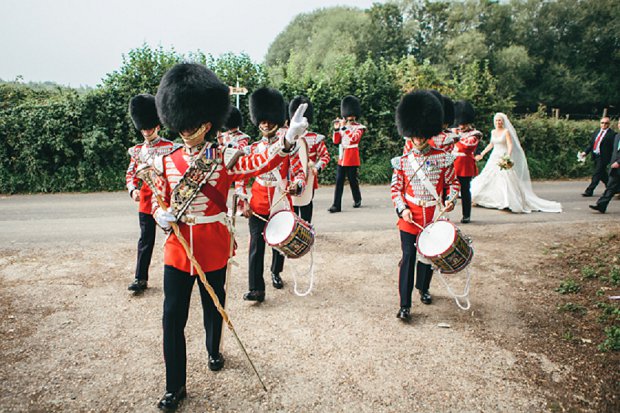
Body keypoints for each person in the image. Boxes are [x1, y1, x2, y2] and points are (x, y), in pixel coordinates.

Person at [151, 64, 307, 411]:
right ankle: (174, 385)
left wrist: (288, 139)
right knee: (172, 316)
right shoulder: (167, 160)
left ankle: (213, 349)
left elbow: (259, 160)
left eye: (194, 124)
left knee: (213, 306)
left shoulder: (222, 158)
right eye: (184, 124)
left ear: (207, 122)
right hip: (178, 248)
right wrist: (161, 217)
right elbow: (159, 198)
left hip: (211, 245)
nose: (188, 130)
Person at [390, 90, 459, 322]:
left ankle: (424, 287)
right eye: (414, 135)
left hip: (432, 214)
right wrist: (403, 209)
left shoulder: (443, 157)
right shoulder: (401, 161)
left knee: (428, 256)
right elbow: (395, 189)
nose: (418, 139)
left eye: (422, 135)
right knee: (408, 257)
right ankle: (405, 304)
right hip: (409, 217)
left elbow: (453, 184)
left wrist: (451, 199)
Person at [240, 88, 307, 303]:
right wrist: (243, 201)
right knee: (255, 246)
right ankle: (256, 288)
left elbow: (298, 172)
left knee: (279, 242)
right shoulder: (252, 148)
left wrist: (297, 185)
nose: (265, 125)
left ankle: (276, 272)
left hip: (280, 198)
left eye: (269, 120)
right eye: (262, 121)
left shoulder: (290, 146)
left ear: (276, 120)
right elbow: (242, 177)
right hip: (258, 200)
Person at [125, 94, 177, 294]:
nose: (147, 131)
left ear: (157, 126)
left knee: (175, 238)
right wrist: (133, 189)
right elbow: (131, 174)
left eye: (150, 127)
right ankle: (140, 277)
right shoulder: (137, 151)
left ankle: (181, 274)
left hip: (166, 201)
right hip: (146, 201)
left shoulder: (170, 148)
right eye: (144, 128)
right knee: (145, 240)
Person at [471, 113, 562, 213]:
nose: (498, 122)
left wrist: (507, 156)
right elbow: (491, 144)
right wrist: (482, 154)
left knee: (505, 178)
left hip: (503, 155)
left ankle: (507, 201)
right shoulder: (493, 132)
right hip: (494, 157)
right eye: (496, 120)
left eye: (500, 120)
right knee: (487, 176)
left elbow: (510, 145)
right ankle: (480, 198)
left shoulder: (506, 132)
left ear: (503, 121)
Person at [289, 95, 330, 222]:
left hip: (309, 177)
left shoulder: (315, 138)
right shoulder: (288, 137)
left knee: (306, 204)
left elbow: (325, 156)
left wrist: (317, 167)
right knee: (292, 206)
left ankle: (306, 229)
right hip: (291, 175)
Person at [328, 95, 365, 213]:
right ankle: (336, 205)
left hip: (352, 157)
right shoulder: (343, 126)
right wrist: (336, 129)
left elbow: (354, 138)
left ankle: (357, 199)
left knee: (352, 180)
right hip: (342, 156)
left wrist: (344, 128)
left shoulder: (360, 127)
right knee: (339, 181)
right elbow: (336, 141)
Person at [452, 100, 482, 223]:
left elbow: (465, 146)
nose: (461, 126)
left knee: (465, 190)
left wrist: (454, 140)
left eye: (463, 123)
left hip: (465, 165)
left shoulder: (475, 134)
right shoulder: (456, 131)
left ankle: (466, 215)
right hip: (453, 163)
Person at [579, 117, 616, 197]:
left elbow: (614, 147)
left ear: (609, 124)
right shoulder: (597, 132)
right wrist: (585, 152)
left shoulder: (612, 134)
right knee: (602, 174)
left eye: (606, 123)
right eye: (602, 123)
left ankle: (589, 190)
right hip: (595, 155)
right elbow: (591, 144)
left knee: (596, 173)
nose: (604, 125)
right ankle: (613, 188)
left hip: (604, 157)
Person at [590, 120, 620, 213]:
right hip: (615, 167)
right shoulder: (617, 136)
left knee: (611, 186)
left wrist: (619, 162)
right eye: (619, 123)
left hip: (618, 164)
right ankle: (601, 205)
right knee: (610, 186)